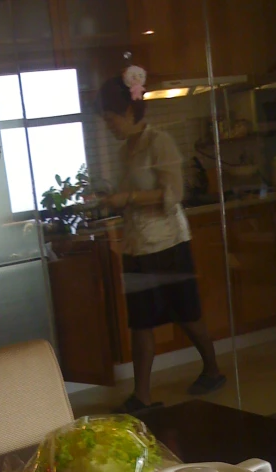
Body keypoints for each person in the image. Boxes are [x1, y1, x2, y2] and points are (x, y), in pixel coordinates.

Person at [96, 70, 225, 414]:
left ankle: (213, 370)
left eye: (109, 118)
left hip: (168, 243)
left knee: (187, 314)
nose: (108, 125)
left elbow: (174, 193)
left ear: (128, 112)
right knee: (141, 321)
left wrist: (130, 198)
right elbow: (131, 195)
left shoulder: (159, 141)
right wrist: (113, 198)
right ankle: (142, 397)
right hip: (137, 245)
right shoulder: (127, 150)